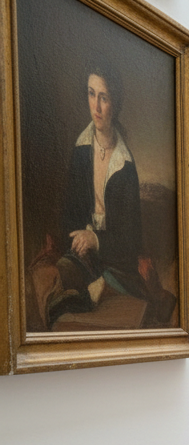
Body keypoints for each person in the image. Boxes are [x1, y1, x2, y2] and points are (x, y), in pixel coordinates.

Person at [30, 61, 173, 330]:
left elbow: (129, 240)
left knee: (109, 291)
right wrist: (79, 237)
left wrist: (95, 239)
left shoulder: (125, 166)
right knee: (61, 277)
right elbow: (69, 211)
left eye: (103, 97)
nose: (95, 106)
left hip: (116, 260)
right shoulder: (81, 149)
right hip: (83, 255)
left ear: (115, 103)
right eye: (91, 94)